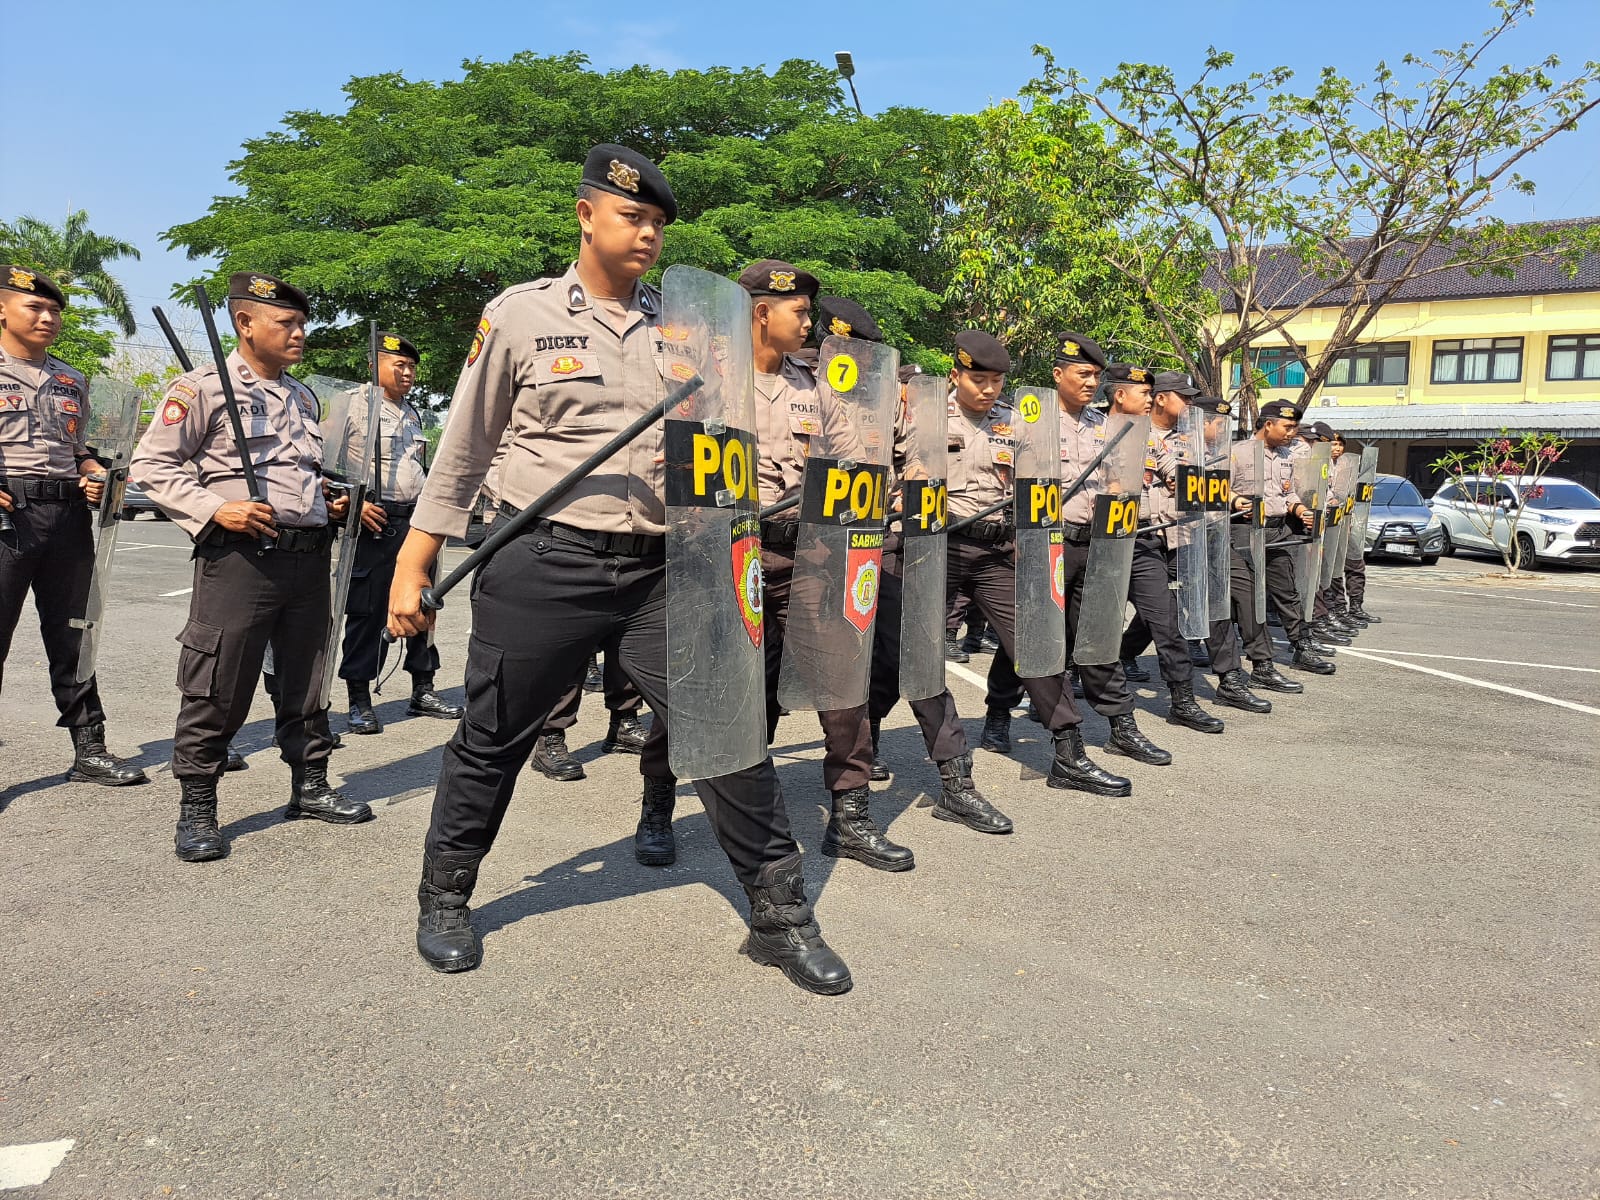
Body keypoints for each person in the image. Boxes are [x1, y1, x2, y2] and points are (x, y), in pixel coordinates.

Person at [386, 145, 851, 994]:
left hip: (662, 571)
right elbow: (465, 447)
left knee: (728, 735)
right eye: (632, 216)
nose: (647, 234)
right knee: (493, 736)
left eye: (658, 224)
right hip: (546, 557)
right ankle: (445, 896)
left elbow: (721, 450)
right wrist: (413, 562)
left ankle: (780, 917)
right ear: (586, 214)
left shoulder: (690, 332)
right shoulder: (520, 315)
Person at [752, 277, 1012, 873]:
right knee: (739, 690)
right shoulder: (730, 381)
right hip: (748, 555)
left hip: (832, 557)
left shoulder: (849, 397)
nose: (847, 368)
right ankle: (662, 800)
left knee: (848, 690)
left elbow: (896, 457)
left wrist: (911, 477)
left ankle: (851, 815)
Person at [132, 271, 373, 862]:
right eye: (286, 323)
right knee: (218, 682)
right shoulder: (202, 389)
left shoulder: (303, 396)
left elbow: (300, 473)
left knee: (309, 678)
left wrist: (327, 501)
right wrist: (217, 508)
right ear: (244, 323)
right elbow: (152, 466)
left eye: (301, 323)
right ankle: (198, 804)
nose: (299, 333)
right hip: (242, 559)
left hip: (308, 558)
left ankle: (310, 784)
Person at [942, 330, 1131, 796]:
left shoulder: (1015, 422)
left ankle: (1069, 754)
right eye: (979, 379)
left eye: (997, 381)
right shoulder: (926, 417)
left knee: (1039, 646)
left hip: (998, 550)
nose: (989, 390)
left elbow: (1035, 487)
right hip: (939, 549)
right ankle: (872, 742)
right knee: (899, 656)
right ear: (955, 375)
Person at [984, 346, 1171, 766]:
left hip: (1097, 544)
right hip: (1048, 543)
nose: (1090, 382)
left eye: (1095, 376)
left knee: (1099, 637)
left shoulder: (1105, 425)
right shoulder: (1028, 420)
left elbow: (1119, 479)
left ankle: (1122, 726)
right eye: (1082, 374)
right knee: (1031, 636)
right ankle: (998, 713)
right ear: (1058, 374)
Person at [0, 265, 146, 787]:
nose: (48, 317)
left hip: (66, 518)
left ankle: (90, 748)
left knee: (75, 635)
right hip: (7, 517)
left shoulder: (71, 379)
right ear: (2, 310)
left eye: (55, 310)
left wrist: (95, 473)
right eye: (35, 307)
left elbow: (78, 448)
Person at [340, 331, 464, 734]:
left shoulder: (411, 412)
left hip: (416, 520)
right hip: (377, 520)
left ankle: (422, 688)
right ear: (374, 364)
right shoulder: (350, 406)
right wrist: (351, 501)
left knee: (424, 603)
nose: (408, 373)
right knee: (369, 611)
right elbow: (325, 464)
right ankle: (359, 698)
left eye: (412, 367)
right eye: (399, 365)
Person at [1107, 370, 1227, 734]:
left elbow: (1174, 469)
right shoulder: (1093, 430)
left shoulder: (1151, 437)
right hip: (1097, 541)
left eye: (1150, 392)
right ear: (1120, 395)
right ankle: (1044, 695)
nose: (1148, 398)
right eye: (1143, 393)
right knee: (1076, 624)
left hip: (1143, 540)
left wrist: (1190, 483)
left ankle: (1182, 700)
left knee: (1166, 622)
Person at [1228, 399, 1335, 690]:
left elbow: (1288, 494)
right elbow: (1220, 488)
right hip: (1245, 530)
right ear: (1268, 424)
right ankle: (1261, 665)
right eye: (1287, 427)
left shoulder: (1289, 456)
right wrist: (1237, 501)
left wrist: (1300, 510)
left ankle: (1302, 646)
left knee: (1287, 592)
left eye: (1294, 427)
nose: (1292, 433)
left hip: (1277, 530)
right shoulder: (1237, 452)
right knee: (1251, 599)